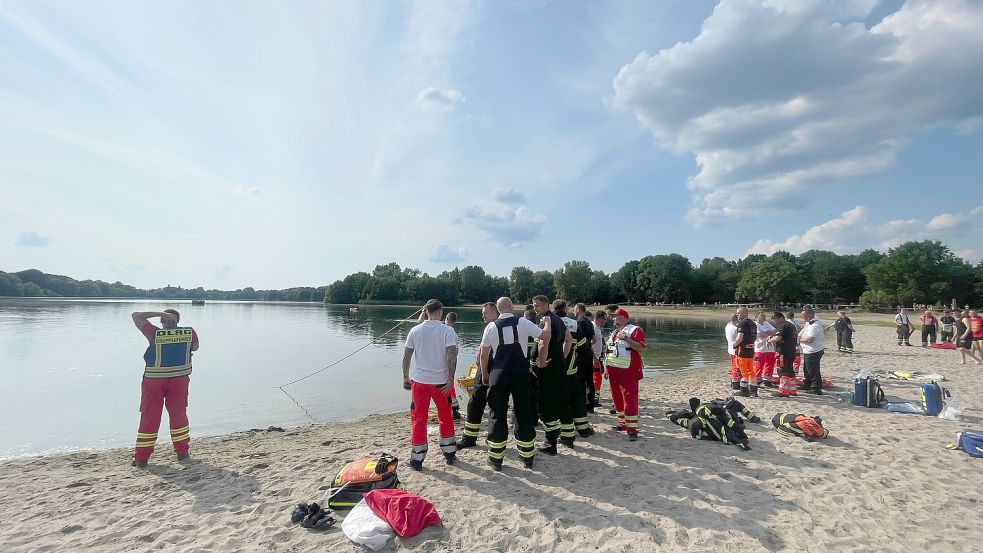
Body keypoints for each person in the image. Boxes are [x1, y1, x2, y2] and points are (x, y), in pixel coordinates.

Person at [478, 297, 544, 470]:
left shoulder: (490, 327)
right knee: (523, 412)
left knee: (497, 413)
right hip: (520, 374)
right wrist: (549, 324)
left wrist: (485, 374)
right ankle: (527, 457)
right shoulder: (523, 321)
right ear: (511, 307)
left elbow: (484, 355)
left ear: (499, 310)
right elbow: (543, 335)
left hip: (498, 373)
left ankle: (496, 459)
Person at [130, 309, 199, 467]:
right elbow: (195, 348)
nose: (168, 324)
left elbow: (136, 316)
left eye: (169, 321)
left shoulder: (155, 333)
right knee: (178, 415)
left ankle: (141, 458)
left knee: (150, 416)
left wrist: (160, 314)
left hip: (154, 380)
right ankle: (182, 453)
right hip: (179, 379)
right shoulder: (189, 333)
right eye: (167, 321)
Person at [401, 299, 459, 470]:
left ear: (425, 311)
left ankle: (417, 459)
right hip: (441, 382)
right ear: (440, 312)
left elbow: (406, 356)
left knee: (419, 419)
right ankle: (449, 453)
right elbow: (452, 357)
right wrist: (450, 379)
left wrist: (405, 376)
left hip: (419, 382)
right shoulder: (447, 331)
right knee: (445, 416)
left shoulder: (415, 330)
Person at [532, 295, 573, 454]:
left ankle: (550, 443)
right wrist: (561, 357)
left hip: (548, 369)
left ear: (546, 305)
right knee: (562, 401)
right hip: (559, 367)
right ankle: (568, 437)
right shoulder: (559, 320)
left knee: (547, 404)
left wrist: (542, 363)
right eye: (534, 305)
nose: (535, 308)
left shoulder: (546, 321)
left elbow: (543, 344)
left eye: (538, 305)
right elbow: (568, 340)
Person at [456, 302, 500, 448]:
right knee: (494, 406)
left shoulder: (491, 327)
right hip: (499, 371)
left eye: (485, 312)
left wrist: (480, 364)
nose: (483, 315)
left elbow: (481, 354)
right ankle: (491, 438)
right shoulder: (503, 325)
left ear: (495, 311)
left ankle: (469, 439)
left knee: (475, 404)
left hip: (486, 370)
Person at [605, 308, 646, 441]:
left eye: (615, 317)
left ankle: (632, 429)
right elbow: (610, 350)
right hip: (613, 369)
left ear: (622, 318)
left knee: (629, 398)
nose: (613, 319)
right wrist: (606, 368)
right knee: (617, 398)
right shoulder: (614, 332)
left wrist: (627, 339)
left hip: (628, 370)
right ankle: (622, 423)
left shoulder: (635, 330)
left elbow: (640, 347)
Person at [557, 301, 594, 439]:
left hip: (554, 370)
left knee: (559, 400)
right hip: (571, 368)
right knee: (577, 398)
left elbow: (538, 347)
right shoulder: (574, 324)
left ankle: (563, 432)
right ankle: (584, 429)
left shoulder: (546, 322)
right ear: (565, 309)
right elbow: (584, 348)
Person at [573, 303, 598, 414]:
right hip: (588, 353)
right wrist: (588, 347)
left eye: (574, 309)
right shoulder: (589, 322)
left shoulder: (579, 322)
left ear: (578, 309)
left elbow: (577, 339)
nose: (573, 312)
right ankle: (590, 405)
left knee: (580, 380)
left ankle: (582, 404)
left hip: (581, 354)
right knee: (589, 379)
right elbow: (594, 339)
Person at [769, 312, 798, 397]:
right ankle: (792, 390)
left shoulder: (782, 325)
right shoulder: (791, 325)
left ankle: (783, 391)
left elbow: (778, 337)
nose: (775, 322)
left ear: (780, 317)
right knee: (790, 370)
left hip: (783, 351)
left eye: (775, 320)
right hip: (792, 350)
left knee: (782, 370)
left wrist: (769, 340)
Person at [732, 307, 758, 397]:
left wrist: (734, 345)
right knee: (751, 370)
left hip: (742, 350)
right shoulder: (753, 323)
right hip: (751, 350)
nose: (737, 315)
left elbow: (739, 337)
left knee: (743, 371)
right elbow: (756, 337)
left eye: (738, 313)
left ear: (744, 313)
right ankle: (754, 391)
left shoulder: (742, 323)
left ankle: (744, 390)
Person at [798, 307, 825, 395]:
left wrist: (800, 340)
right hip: (808, 350)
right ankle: (807, 383)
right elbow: (802, 333)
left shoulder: (815, 325)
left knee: (813, 370)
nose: (803, 318)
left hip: (814, 350)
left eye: (804, 316)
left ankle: (816, 388)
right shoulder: (809, 323)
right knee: (806, 368)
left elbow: (810, 339)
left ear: (809, 316)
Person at [442, 312, 461, 420]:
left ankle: (453, 406)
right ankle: (454, 405)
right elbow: (456, 351)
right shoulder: (454, 333)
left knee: (447, 385)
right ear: (455, 321)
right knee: (450, 384)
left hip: (443, 363)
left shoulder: (445, 331)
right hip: (449, 363)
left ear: (446, 318)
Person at [753, 311, 778, 387]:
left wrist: (766, 333)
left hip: (770, 348)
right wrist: (769, 333)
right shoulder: (754, 325)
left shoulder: (767, 323)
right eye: (762, 315)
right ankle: (757, 380)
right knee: (758, 365)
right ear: (757, 316)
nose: (764, 317)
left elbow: (775, 331)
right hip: (759, 348)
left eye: (764, 315)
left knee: (770, 364)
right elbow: (760, 335)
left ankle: (767, 380)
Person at [590, 311, 607, 408]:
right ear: (599, 318)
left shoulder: (597, 328)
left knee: (598, 377)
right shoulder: (592, 327)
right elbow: (588, 343)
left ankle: (595, 397)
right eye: (604, 319)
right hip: (594, 357)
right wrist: (593, 357)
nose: (605, 321)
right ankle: (594, 398)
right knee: (596, 378)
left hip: (598, 356)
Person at [725, 314, 740, 390]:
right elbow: (738, 339)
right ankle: (735, 382)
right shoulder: (735, 328)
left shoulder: (727, 326)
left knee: (734, 365)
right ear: (736, 319)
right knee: (736, 366)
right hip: (735, 349)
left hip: (730, 348)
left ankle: (734, 380)